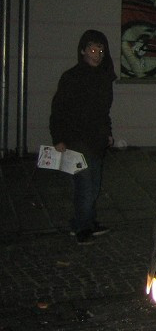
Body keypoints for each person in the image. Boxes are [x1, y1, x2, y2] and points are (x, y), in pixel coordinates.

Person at [50, 30, 116, 244]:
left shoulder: (103, 78)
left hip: (96, 140)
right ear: (83, 51)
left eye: (101, 50)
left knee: (94, 185)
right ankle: (81, 227)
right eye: (93, 49)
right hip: (77, 140)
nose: (97, 54)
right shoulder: (71, 77)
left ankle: (87, 220)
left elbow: (103, 111)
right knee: (84, 186)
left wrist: (108, 133)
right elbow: (58, 109)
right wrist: (58, 138)